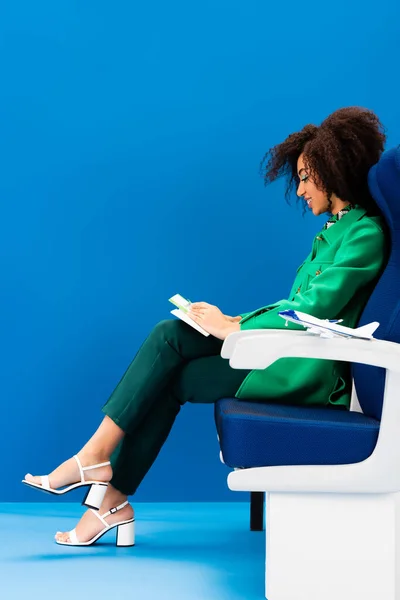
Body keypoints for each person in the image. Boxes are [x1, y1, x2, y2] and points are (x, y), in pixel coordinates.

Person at [23, 106, 389, 546]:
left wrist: (233, 330)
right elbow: (297, 304)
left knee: (170, 371)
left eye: (308, 176)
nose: (301, 187)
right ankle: (104, 484)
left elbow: (314, 307)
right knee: (170, 334)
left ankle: (102, 479)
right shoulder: (336, 229)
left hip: (308, 372)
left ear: (335, 170)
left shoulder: (364, 234)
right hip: (286, 355)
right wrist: (232, 320)